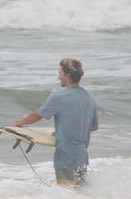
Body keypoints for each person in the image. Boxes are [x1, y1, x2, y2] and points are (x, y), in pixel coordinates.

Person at [13, 58, 98, 186]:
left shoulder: (58, 97)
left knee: (67, 194)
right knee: (80, 195)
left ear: (68, 76)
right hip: (82, 157)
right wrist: (65, 131)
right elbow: (93, 126)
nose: (58, 77)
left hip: (66, 157)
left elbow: (36, 116)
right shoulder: (88, 97)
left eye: (60, 74)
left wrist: (17, 124)